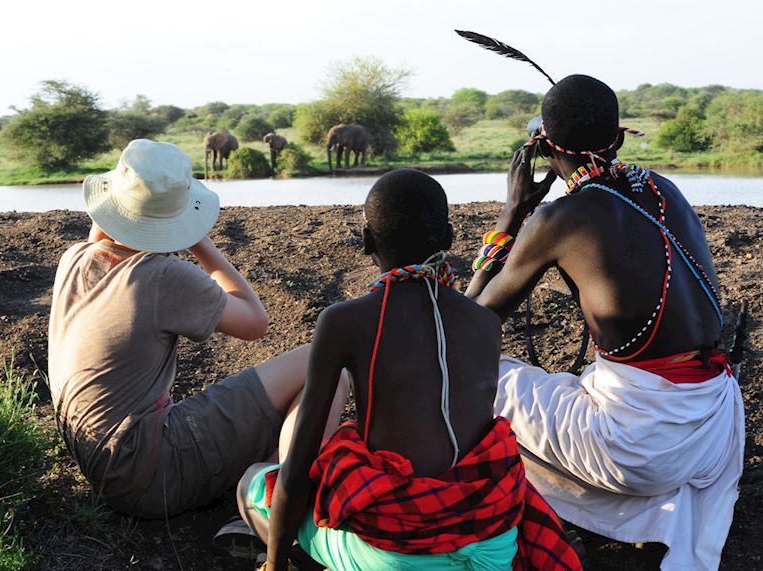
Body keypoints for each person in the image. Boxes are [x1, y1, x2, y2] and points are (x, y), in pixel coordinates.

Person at [236, 169, 583, 571]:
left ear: (366, 240)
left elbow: (298, 465)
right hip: (493, 548)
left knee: (255, 482)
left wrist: (273, 564)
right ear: (450, 239)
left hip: (400, 556)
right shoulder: (484, 323)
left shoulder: (344, 321)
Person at [465, 75, 745, 571]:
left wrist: (511, 216)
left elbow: (465, 326)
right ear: (617, 139)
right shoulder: (666, 189)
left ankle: (518, 512)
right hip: (717, 427)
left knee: (474, 373)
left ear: (543, 148)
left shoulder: (557, 220)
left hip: (640, 448)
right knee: (586, 384)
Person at [48, 139, 348, 518]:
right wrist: (199, 241)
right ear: (178, 215)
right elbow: (256, 322)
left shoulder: (74, 259)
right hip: (150, 476)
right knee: (326, 364)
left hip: (104, 467)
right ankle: (275, 505)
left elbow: (101, 240)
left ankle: (269, 484)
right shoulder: (161, 276)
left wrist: (115, 212)